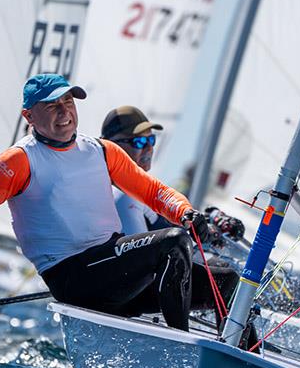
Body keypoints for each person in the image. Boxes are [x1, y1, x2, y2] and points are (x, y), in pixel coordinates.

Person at [0, 74, 212, 332]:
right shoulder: (18, 161)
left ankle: (242, 361)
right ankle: (181, 346)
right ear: (28, 116)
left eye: (67, 101)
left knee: (225, 283)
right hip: (73, 277)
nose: (63, 111)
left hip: (114, 270)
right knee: (173, 241)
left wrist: (186, 212)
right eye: (52, 105)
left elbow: (154, 192)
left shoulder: (101, 150)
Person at [100, 106, 256, 345]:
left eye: (151, 140)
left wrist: (209, 220)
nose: (149, 148)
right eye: (140, 142)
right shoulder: (122, 196)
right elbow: (143, 252)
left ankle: (237, 350)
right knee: (226, 279)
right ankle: (234, 355)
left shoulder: (138, 192)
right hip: (128, 291)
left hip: (144, 281)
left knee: (224, 273)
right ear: (112, 146)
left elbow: (163, 223)